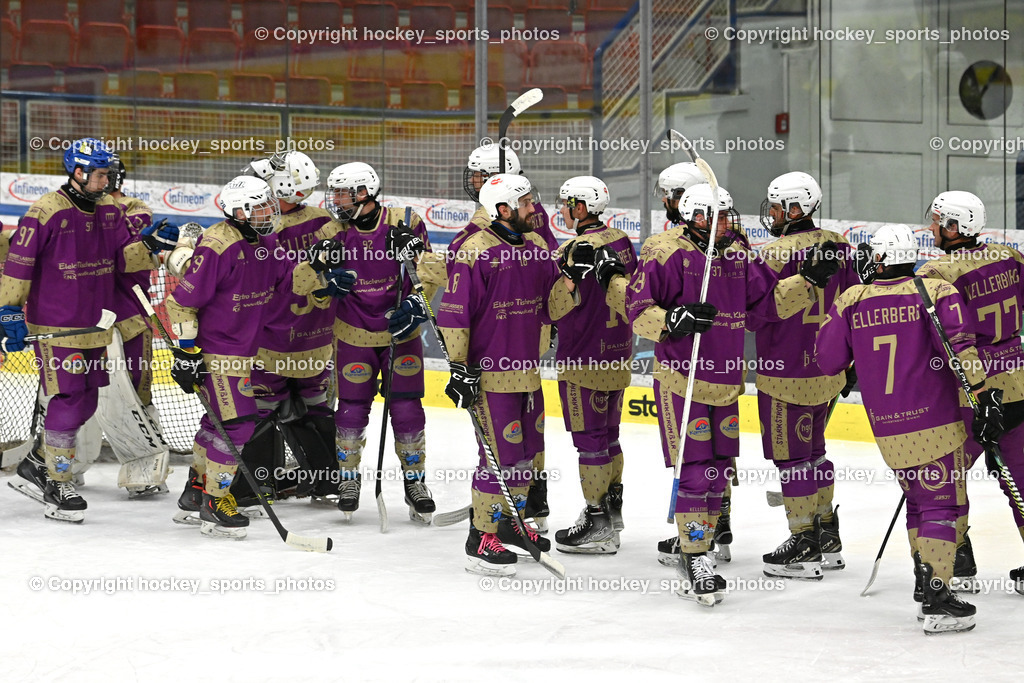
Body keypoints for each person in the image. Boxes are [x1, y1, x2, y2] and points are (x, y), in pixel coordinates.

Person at [625, 184, 835, 605]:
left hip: (726, 383)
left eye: (727, 216)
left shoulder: (736, 251)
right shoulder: (663, 251)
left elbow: (764, 306)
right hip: (683, 379)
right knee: (698, 471)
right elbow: (637, 310)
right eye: (714, 217)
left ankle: (707, 537)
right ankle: (695, 554)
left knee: (719, 471)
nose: (727, 224)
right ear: (693, 217)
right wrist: (674, 319)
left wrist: (804, 280)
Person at [817, 223, 999, 634]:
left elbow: (827, 361)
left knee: (919, 500)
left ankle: (926, 583)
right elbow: (960, 350)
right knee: (942, 506)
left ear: (879, 258)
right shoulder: (933, 293)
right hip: (937, 422)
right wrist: (983, 395)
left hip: (886, 428)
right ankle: (937, 598)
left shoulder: (852, 299)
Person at [166, 175, 350, 538]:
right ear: (239, 212)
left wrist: (315, 267)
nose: (270, 212)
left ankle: (196, 491)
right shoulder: (218, 246)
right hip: (218, 351)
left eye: (269, 204)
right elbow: (181, 304)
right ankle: (215, 504)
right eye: (261, 207)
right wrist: (187, 353)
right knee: (237, 425)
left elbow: (289, 282)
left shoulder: (265, 242)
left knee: (215, 422)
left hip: (246, 349)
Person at [0, 138, 157, 522]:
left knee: (86, 399)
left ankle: (38, 461)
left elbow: (124, 258)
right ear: (79, 172)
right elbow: (19, 263)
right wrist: (8, 311)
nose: (107, 180)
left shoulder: (108, 209)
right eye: (101, 174)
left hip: (94, 324)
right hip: (55, 326)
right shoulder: (46, 211)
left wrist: (150, 245)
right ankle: (57, 480)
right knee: (68, 399)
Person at [438, 173, 583, 575]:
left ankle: (512, 523)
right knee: (498, 457)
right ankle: (480, 537)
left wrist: (572, 278)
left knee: (523, 456)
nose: (531, 208)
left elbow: (552, 308)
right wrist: (458, 368)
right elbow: (454, 317)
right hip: (489, 375)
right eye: (523, 203)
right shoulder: (475, 251)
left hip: (527, 372)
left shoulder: (536, 247)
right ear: (502, 209)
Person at [750, 171, 857, 578]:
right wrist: (849, 362)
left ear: (796, 208)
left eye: (777, 206)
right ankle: (827, 535)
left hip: (785, 375)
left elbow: (756, 316)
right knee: (814, 453)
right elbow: (854, 304)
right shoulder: (840, 246)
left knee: (792, 460)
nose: (773, 214)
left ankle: (804, 543)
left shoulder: (773, 255)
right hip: (828, 371)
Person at [917, 190, 1024, 592]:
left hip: (971, 391)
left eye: (938, 221)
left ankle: (957, 562)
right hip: (1017, 382)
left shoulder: (936, 273)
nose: (931, 227)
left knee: (948, 479)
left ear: (955, 227)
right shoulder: (1008, 256)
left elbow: (938, 334)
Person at [322, 162, 437, 523]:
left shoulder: (405, 221)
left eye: (342, 193)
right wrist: (325, 279)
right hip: (353, 331)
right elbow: (308, 286)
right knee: (352, 407)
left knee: (406, 409)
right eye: (335, 193)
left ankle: (415, 481)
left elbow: (429, 271)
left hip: (399, 332)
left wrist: (419, 303)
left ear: (363, 192)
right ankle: (348, 479)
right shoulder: (332, 231)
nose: (336, 200)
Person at [231, 151, 343, 507]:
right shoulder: (325, 220)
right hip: (317, 337)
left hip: (270, 339)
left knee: (261, 409)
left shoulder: (259, 228)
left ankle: (257, 485)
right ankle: (327, 480)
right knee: (316, 408)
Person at [550, 175, 636, 554]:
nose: (564, 210)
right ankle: (612, 509)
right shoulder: (621, 240)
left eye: (568, 203)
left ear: (581, 208)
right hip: (617, 354)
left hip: (582, 359)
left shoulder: (572, 250)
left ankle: (597, 519)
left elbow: (553, 308)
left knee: (590, 444)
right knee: (609, 435)